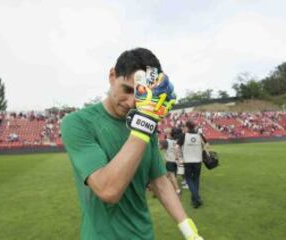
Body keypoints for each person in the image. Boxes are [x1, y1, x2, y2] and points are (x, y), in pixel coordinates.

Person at [61, 48, 203, 240]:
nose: (131, 103)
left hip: (144, 235)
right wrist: (144, 124)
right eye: (127, 90)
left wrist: (189, 231)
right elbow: (108, 190)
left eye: (140, 95)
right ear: (112, 76)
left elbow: (159, 181)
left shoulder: (146, 125)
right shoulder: (78, 123)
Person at [176, 121, 209, 208]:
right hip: (198, 161)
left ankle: (196, 198)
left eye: (184, 127)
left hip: (188, 161)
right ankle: (194, 200)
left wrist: (178, 157)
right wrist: (203, 152)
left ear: (187, 127)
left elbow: (177, 147)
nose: (183, 128)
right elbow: (207, 144)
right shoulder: (199, 135)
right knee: (196, 179)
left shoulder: (184, 136)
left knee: (188, 178)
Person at [161, 127, 181, 195]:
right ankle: (164, 187)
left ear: (167, 133)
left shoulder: (166, 141)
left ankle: (177, 189)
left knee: (172, 176)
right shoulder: (175, 141)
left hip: (169, 161)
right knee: (168, 175)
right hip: (175, 161)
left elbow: (160, 148)